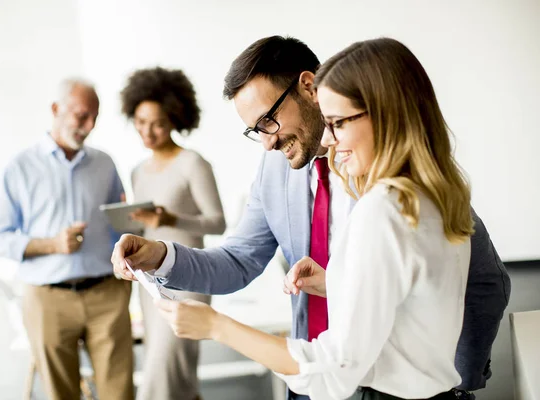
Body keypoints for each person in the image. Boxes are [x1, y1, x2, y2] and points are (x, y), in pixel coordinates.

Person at [111, 36, 510, 399]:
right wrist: (161, 256)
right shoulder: (274, 170)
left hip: (376, 381)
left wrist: (456, 380)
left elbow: (482, 281)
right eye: (254, 131)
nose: (267, 142)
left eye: (268, 120)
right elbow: (239, 258)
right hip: (307, 376)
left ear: (307, 86)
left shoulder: (389, 193)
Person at [0, 78, 134, 400]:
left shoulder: (105, 163)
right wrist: (51, 245)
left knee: (120, 392)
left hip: (107, 294)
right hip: (47, 300)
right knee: (61, 393)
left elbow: (119, 224)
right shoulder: (19, 168)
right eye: (82, 116)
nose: (89, 125)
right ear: (55, 109)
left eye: (95, 117)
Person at [120, 67, 226, 400]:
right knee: (174, 371)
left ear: (175, 119)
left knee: (162, 375)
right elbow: (146, 227)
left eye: (157, 123)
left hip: (189, 279)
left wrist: (173, 218)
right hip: (151, 282)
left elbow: (218, 223)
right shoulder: (137, 170)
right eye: (140, 121)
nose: (147, 131)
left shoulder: (193, 163)